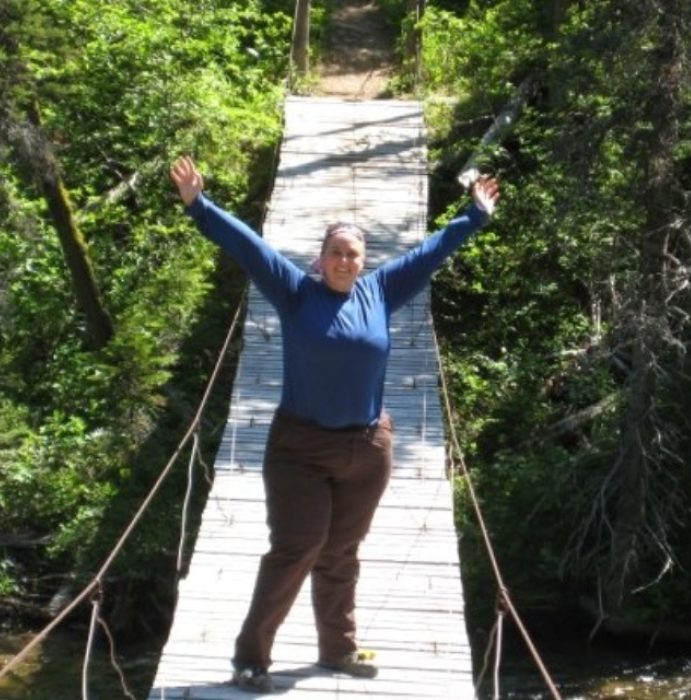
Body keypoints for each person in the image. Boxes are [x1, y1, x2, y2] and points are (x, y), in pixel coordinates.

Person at [169, 155, 499, 693]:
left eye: (353, 254)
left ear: (363, 261)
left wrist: (474, 215)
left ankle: (338, 649)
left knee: (342, 550)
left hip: (369, 448)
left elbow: (429, 253)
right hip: (299, 448)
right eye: (336, 254)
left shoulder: (379, 292)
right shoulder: (296, 293)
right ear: (320, 260)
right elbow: (249, 247)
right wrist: (199, 206)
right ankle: (251, 657)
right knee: (298, 546)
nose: (345, 261)